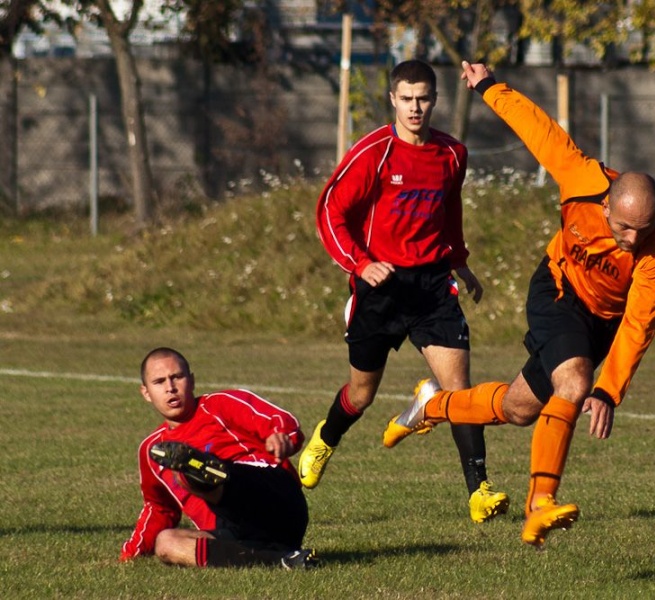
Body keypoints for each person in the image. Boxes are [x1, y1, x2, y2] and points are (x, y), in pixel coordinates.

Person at [383, 61, 655, 548]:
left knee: (520, 409)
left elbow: (640, 322)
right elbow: (537, 129)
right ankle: (540, 503)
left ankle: (432, 405)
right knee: (573, 380)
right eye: (624, 227)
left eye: (643, 229)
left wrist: (610, 390)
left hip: (600, 322)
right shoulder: (581, 179)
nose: (632, 238)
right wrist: (488, 87)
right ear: (607, 204)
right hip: (557, 290)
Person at [301, 58, 509, 523]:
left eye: (424, 99)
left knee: (460, 390)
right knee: (361, 394)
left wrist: (459, 261)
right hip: (382, 288)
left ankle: (480, 490)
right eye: (407, 99)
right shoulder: (373, 152)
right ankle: (326, 439)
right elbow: (330, 212)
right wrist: (361, 263)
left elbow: (449, 210)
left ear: (435, 99)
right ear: (393, 99)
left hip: (433, 286)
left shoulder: (452, 154)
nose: (416, 108)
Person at [120, 347, 317, 569]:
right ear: (146, 393)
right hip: (236, 531)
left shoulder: (220, 404)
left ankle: (203, 470)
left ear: (192, 380)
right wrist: (129, 556)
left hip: (274, 496)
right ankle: (281, 560)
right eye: (159, 382)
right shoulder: (154, 450)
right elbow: (159, 508)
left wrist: (281, 436)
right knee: (166, 543)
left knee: (190, 474)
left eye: (177, 377)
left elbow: (277, 420)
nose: (170, 388)